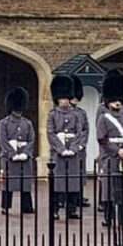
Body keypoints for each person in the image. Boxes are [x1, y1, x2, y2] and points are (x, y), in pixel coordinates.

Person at [97, 69, 123, 226]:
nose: (117, 102)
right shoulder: (103, 116)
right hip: (110, 156)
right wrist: (116, 150)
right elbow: (102, 138)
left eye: (119, 99)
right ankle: (108, 217)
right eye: (114, 99)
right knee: (109, 188)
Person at [47, 75, 85, 220]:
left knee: (73, 182)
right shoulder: (52, 115)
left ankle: (71, 209)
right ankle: (55, 209)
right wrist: (61, 149)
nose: (64, 101)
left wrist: (74, 148)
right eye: (62, 98)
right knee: (58, 182)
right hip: (58, 153)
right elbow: (50, 133)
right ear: (57, 99)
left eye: (66, 98)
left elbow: (79, 132)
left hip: (73, 152)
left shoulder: (75, 114)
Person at [0, 87, 36, 214]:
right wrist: (12, 153)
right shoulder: (4, 123)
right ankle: (5, 206)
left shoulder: (28, 123)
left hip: (24, 156)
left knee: (25, 183)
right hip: (9, 157)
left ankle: (26, 206)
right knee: (8, 183)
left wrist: (25, 153)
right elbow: (3, 140)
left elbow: (31, 140)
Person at [70, 74, 92, 208]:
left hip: (80, 148)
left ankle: (78, 196)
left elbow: (85, 130)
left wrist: (82, 144)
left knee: (79, 173)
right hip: (68, 147)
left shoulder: (81, 112)